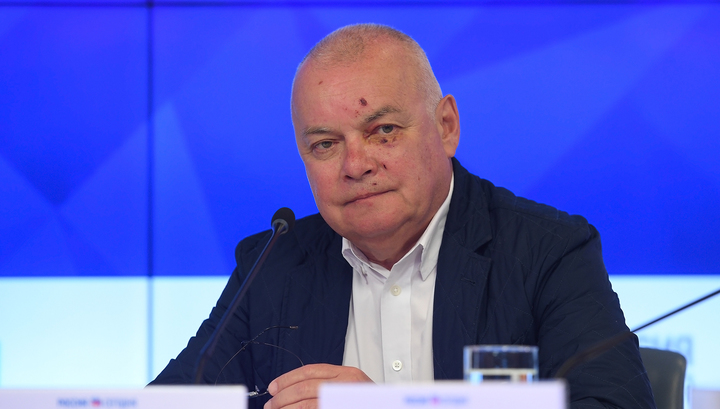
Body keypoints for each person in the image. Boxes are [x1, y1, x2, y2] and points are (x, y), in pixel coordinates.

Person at [151, 24, 656, 409]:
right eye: (325, 144)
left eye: (384, 131)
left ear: (446, 126)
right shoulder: (274, 264)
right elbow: (171, 402)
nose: (356, 165)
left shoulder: (547, 251)